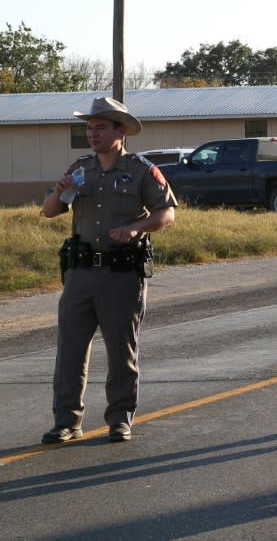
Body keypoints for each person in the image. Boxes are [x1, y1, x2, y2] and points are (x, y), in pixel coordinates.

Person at [40, 97, 177, 443]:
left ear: (121, 131)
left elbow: (167, 213)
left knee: (121, 350)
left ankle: (119, 418)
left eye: (100, 127)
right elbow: (49, 211)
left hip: (120, 275)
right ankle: (67, 421)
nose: (92, 133)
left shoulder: (141, 170)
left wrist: (137, 227)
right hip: (80, 274)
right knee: (70, 351)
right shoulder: (80, 168)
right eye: (89, 127)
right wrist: (58, 194)